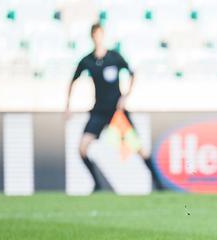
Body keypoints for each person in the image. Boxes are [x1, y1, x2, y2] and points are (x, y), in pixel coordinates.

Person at [65, 22, 162, 191]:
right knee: (82, 148)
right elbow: (72, 81)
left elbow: (133, 74)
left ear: (103, 36)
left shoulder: (114, 57)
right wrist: (68, 106)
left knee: (139, 149)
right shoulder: (87, 61)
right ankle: (96, 184)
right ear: (92, 37)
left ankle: (159, 184)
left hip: (118, 113)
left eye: (100, 35)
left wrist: (125, 96)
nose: (98, 39)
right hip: (99, 112)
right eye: (95, 35)